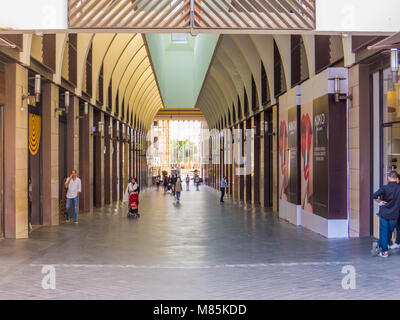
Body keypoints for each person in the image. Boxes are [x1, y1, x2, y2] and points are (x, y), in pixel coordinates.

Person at [372, 170, 400, 258]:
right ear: (396, 179)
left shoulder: (384, 188)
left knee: (384, 232)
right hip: (394, 214)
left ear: (389, 178)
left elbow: (374, 196)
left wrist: (380, 201)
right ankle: (379, 245)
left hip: (384, 213)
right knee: (389, 232)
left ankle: (384, 251)